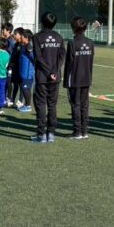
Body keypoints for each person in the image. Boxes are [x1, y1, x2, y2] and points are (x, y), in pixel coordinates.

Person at [32, 13, 66, 143]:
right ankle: (51, 133)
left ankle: (41, 134)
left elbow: (38, 57)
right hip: (55, 77)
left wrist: (48, 72)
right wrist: (54, 71)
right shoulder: (58, 37)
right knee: (52, 105)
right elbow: (62, 56)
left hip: (42, 76)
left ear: (42, 22)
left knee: (41, 104)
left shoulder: (37, 37)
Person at [64, 16, 95, 140]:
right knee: (84, 105)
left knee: (76, 105)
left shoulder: (72, 43)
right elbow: (90, 62)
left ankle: (77, 132)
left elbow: (69, 64)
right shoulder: (90, 43)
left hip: (74, 79)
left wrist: (66, 81)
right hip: (86, 78)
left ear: (73, 28)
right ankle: (84, 131)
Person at [17, 29, 35, 113]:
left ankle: (28, 106)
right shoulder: (23, 46)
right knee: (24, 89)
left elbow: (34, 59)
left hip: (28, 74)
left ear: (26, 38)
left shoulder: (29, 47)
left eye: (22, 37)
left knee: (26, 89)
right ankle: (26, 104)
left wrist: (30, 52)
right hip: (23, 72)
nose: (21, 38)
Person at [7, 27, 23, 109]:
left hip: (21, 68)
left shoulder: (23, 45)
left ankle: (20, 101)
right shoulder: (16, 44)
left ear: (20, 35)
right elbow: (13, 56)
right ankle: (12, 100)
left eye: (16, 34)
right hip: (14, 67)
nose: (14, 35)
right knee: (15, 84)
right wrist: (10, 64)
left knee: (21, 85)